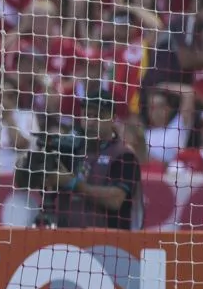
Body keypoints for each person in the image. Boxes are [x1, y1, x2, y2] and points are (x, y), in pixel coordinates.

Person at [46, 89, 143, 230]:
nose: (90, 122)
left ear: (112, 118)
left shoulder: (124, 155)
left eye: (98, 116)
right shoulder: (71, 150)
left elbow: (116, 200)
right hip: (68, 239)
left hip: (111, 243)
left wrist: (74, 183)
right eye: (86, 116)